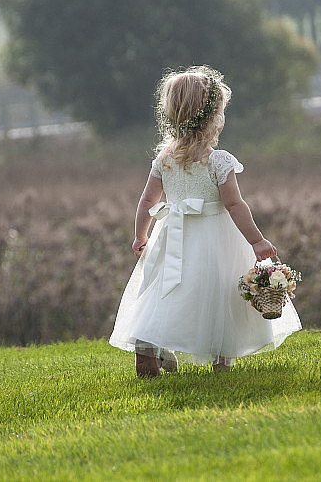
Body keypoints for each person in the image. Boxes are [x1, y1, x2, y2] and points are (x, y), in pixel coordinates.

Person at [109, 65, 302, 377]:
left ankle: (148, 348)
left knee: (162, 290)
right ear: (214, 117)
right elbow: (235, 205)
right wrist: (257, 241)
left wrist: (140, 235)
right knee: (218, 291)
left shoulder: (164, 159)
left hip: (171, 235)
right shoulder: (218, 161)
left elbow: (148, 201)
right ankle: (220, 360)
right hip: (214, 237)